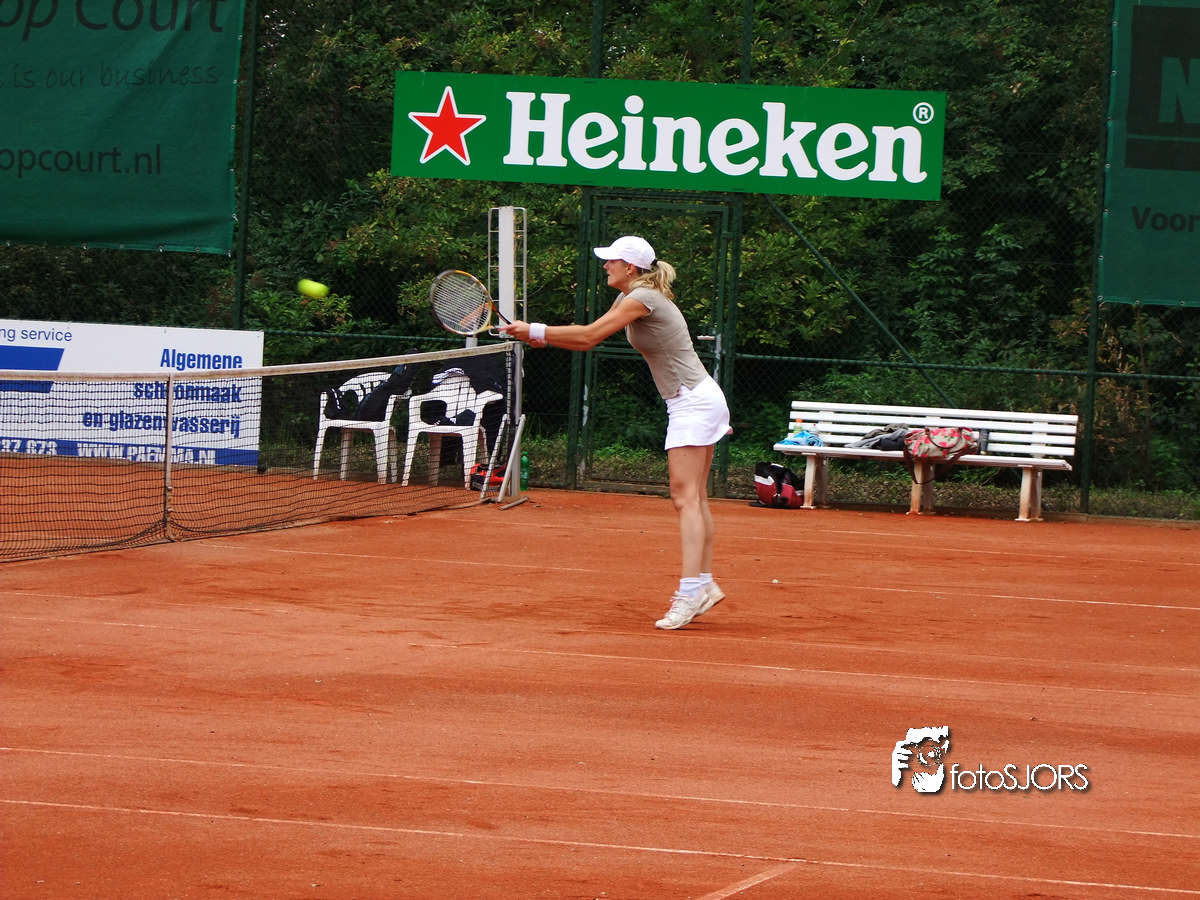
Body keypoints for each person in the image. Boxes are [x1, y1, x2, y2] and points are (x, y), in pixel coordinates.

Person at [499, 235, 731, 631]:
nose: (605, 266)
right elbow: (586, 338)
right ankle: (704, 583)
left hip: (692, 401)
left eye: (612, 261)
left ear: (631, 267)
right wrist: (538, 336)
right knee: (695, 497)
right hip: (697, 397)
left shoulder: (643, 297)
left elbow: (589, 335)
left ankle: (691, 590)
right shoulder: (631, 296)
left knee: (685, 498)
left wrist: (537, 328)